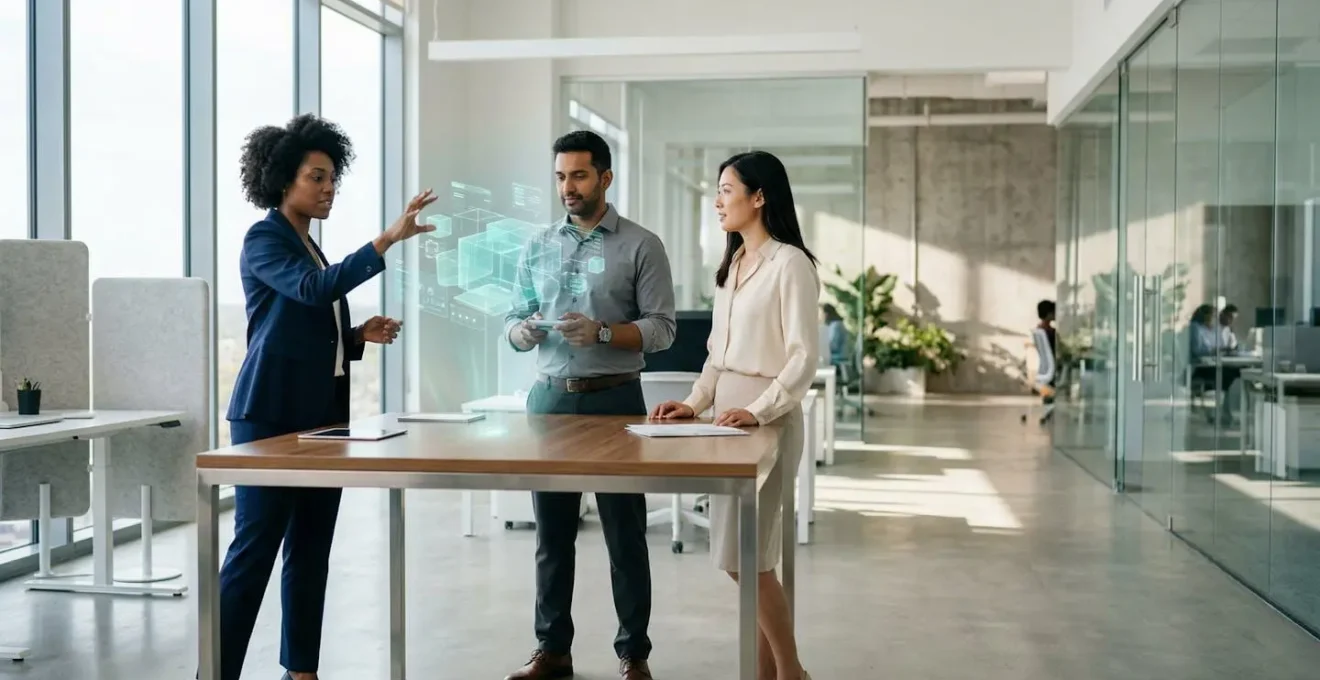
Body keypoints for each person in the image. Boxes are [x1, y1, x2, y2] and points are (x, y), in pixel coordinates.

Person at [217, 113, 437, 680]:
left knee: (311, 549)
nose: (328, 188)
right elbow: (311, 291)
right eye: (316, 177)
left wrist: (358, 336)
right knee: (253, 554)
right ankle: (213, 671)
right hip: (269, 416)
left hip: (320, 418)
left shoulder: (309, 244)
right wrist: (387, 239)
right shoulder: (264, 238)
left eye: (333, 179)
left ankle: (302, 672)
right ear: (282, 180)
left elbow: (304, 325)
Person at [503, 130, 676, 680]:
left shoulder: (642, 245)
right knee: (552, 537)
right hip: (549, 402)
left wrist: (603, 333)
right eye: (560, 176)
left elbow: (663, 329)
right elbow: (513, 320)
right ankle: (552, 650)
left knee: (625, 536)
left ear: (605, 177)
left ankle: (634, 655)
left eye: (578, 175)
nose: (567, 187)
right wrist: (523, 332)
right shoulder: (537, 244)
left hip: (615, 402)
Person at [651, 150, 818, 680]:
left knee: (745, 558)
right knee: (745, 556)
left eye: (726, 190)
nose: (718, 201)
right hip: (726, 419)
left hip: (767, 418)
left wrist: (758, 410)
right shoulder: (731, 265)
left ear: (759, 196)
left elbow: (802, 358)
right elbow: (716, 356)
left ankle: (791, 672)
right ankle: (769, 674)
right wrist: (694, 402)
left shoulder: (790, 264)